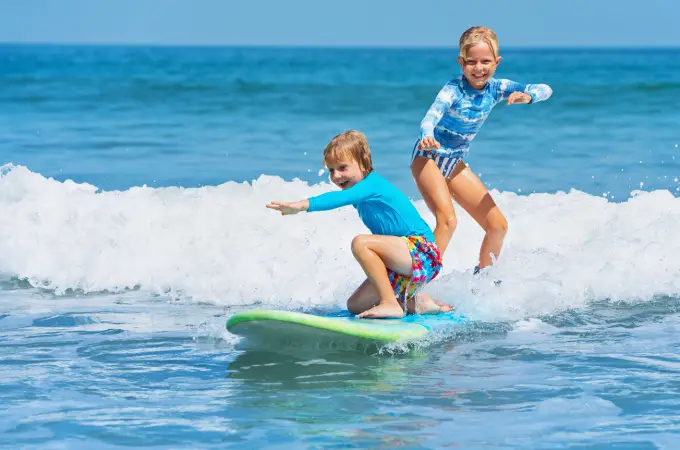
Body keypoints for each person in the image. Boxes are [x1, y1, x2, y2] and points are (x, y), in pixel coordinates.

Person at [267, 130, 453, 319]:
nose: (336, 175)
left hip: (423, 253)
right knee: (356, 305)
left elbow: (338, 198)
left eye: (342, 167)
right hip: (402, 260)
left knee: (361, 243)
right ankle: (420, 303)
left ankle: (390, 304)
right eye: (331, 170)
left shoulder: (371, 185)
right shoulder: (360, 191)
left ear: (363, 165)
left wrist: (301, 205)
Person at [411, 26, 553, 273]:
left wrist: (528, 97)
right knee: (447, 222)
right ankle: (413, 285)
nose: (479, 68)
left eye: (486, 61)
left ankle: (482, 284)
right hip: (429, 157)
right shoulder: (453, 89)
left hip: (453, 163)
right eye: (471, 62)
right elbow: (430, 116)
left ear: (496, 62)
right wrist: (427, 136)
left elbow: (545, 89)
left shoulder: (497, 88)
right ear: (461, 62)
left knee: (497, 225)